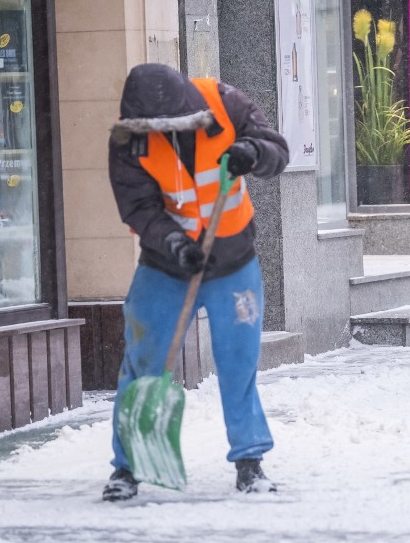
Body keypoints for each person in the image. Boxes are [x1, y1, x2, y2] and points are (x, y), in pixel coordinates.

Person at [103, 64, 289, 501]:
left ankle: (250, 462)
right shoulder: (128, 140)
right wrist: (172, 243)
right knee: (143, 361)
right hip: (166, 266)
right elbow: (138, 208)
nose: (165, 134)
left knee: (238, 363)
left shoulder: (224, 103)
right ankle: (126, 468)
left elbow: (277, 151)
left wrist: (252, 151)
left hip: (233, 261)